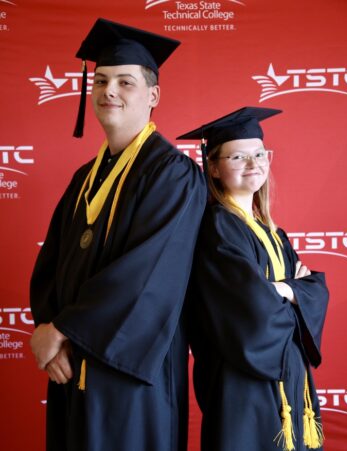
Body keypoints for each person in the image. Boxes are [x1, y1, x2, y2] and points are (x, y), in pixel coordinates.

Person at [30, 18, 206, 451]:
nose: (109, 90)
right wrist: (49, 331)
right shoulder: (84, 178)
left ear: (153, 96)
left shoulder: (173, 175)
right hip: (70, 363)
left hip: (129, 369)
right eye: (102, 80)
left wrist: (64, 329)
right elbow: (52, 262)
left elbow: (149, 274)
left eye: (125, 82)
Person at [177, 107, 329, 451]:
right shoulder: (218, 226)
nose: (254, 163)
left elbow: (314, 289)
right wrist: (293, 292)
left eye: (260, 153)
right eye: (238, 157)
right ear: (213, 167)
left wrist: (283, 290)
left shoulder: (271, 230)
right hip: (241, 375)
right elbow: (248, 306)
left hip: (287, 370)